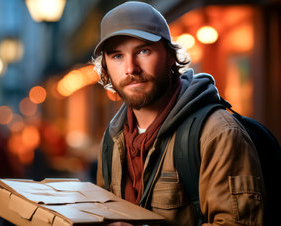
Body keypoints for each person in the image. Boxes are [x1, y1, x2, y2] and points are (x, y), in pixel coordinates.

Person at [93, 2, 265, 225]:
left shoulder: (216, 133)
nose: (130, 68)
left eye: (143, 51)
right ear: (105, 66)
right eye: (117, 56)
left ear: (170, 56)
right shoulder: (112, 140)